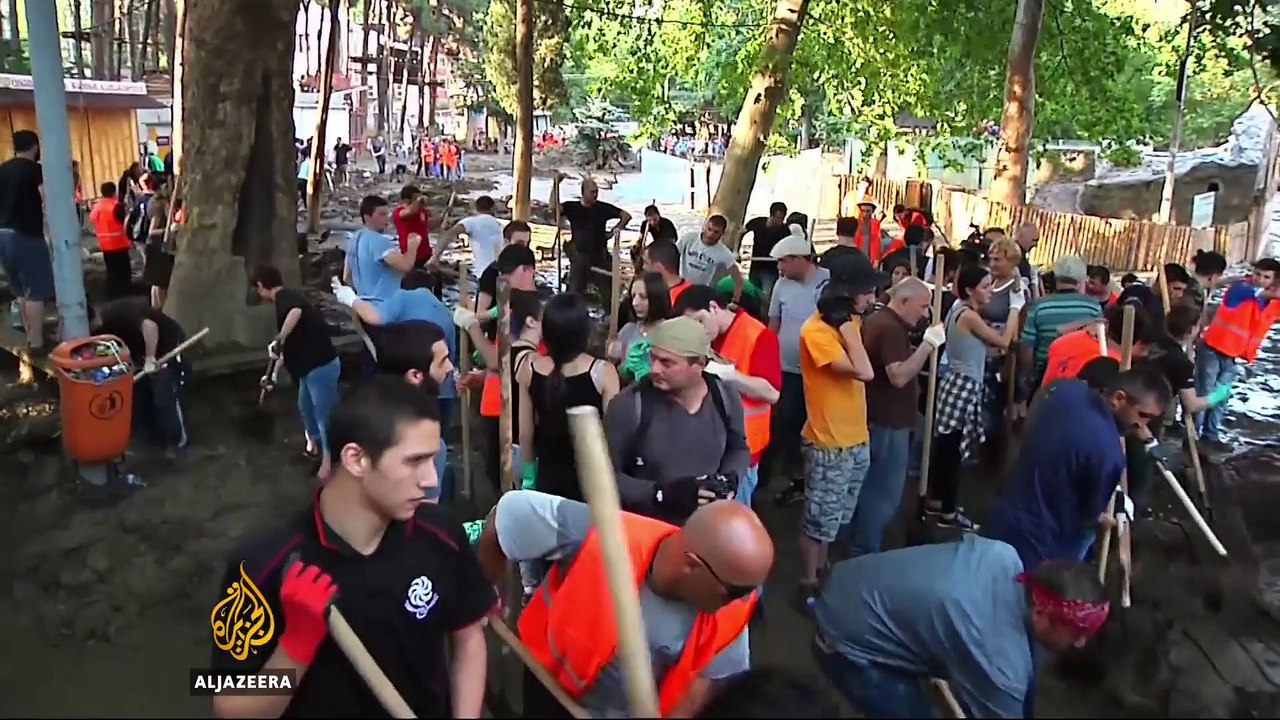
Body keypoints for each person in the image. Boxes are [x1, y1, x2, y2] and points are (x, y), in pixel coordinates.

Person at [208, 379, 493, 718]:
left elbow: (469, 636)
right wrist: (295, 646)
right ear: (356, 459)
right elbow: (228, 706)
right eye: (415, 461)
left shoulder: (440, 534)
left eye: (432, 458)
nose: (431, 479)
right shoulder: (261, 567)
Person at [473, 490, 771, 717]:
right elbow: (507, 514)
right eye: (734, 591)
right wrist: (482, 592)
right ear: (691, 565)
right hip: (550, 689)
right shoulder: (599, 536)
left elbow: (702, 688)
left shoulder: (730, 610)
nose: (743, 600)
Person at [813, 537, 1109, 718]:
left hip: (850, 583)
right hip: (843, 638)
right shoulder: (1000, 663)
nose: (1081, 642)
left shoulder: (1001, 555)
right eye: (1077, 631)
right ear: (1042, 615)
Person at [985, 367, 1172, 572]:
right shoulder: (1109, 454)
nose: (1142, 425)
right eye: (1143, 415)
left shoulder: (1063, 389)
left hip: (1006, 508)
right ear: (1118, 398)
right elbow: (1090, 513)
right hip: (1045, 544)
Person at [604, 317, 750, 524]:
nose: (654, 368)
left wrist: (730, 478)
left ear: (700, 363)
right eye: (652, 357)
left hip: (704, 530)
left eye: (667, 363)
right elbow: (603, 476)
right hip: (646, 530)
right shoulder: (630, 405)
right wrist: (661, 494)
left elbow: (738, 447)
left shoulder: (725, 397)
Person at [795, 267, 879, 603]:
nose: (873, 299)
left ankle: (823, 566)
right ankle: (807, 580)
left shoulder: (847, 324)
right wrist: (847, 328)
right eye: (868, 293)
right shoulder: (817, 332)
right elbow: (865, 371)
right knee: (818, 519)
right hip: (829, 440)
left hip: (855, 435)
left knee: (835, 516)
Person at [928, 263, 1023, 531]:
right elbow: (1003, 341)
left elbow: (977, 349)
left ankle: (937, 502)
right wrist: (1015, 307)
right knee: (953, 450)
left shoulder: (958, 309)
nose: (990, 291)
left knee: (947, 447)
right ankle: (947, 511)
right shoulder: (968, 315)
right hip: (963, 384)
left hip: (958, 381)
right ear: (970, 290)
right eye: (985, 286)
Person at [852, 278, 943, 556]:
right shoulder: (890, 328)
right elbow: (899, 375)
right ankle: (864, 552)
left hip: (879, 417)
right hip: (887, 422)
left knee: (870, 489)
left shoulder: (881, 321)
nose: (925, 313)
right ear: (903, 301)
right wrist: (928, 346)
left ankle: (858, 547)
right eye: (923, 306)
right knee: (883, 494)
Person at [675, 285, 782, 507]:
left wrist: (729, 375)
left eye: (699, 321)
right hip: (708, 447)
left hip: (741, 451)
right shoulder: (706, 337)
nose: (697, 330)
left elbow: (771, 393)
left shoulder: (758, 335)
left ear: (713, 307)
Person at [519, 293, 621, 500]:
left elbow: (525, 432)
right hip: (592, 481)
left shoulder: (529, 368)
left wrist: (528, 477)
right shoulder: (603, 372)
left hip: (547, 474)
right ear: (585, 331)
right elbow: (614, 436)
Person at [252, 265, 341, 480]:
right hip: (306, 368)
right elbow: (287, 348)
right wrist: (272, 374)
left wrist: (279, 338)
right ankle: (314, 447)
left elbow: (295, 312)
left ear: (261, 286)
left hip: (320, 365)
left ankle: (330, 462)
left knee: (324, 415)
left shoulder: (286, 298)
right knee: (305, 407)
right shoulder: (284, 301)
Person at [765, 228, 830, 505]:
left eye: (782, 262)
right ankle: (795, 477)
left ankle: (816, 478)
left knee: (816, 425)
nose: (778, 268)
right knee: (787, 423)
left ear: (797, 259)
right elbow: (773, 323)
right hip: (787, 368)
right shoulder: (781, 285)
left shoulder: (828, 281)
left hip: (820, 370)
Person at [1194, 257, 1280, 449]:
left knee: (1221, 396)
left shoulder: (1273, 302)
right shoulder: (1240, 289)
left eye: (1266, 277)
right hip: (1212, 349)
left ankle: (1210, 436)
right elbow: (1256, 292)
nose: (1259, 279)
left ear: (1274, 280)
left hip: (1232, 355)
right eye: (1257, 274)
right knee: (1204, 394)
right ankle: (1192, 439)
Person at [89, 298, 190, 455]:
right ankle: (145, 439)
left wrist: (150, 359)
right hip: (139, 352)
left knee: (165, 393)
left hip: (165, 345)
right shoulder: (94, 330)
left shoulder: (118, 314)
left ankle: (177, 443)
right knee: (138, 395)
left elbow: (150, 327)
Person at [372, 320, 457, 502]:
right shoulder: (429, 446)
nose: (450, 367)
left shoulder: (364, 406)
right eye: (442, 361)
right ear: (415, 376)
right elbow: (426, 512)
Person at [0, 130, 52, 352]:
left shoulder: (2, 170)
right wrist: (50, 231)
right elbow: (45, 198)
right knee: (36, 290)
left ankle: (30, 336)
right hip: (27, 234)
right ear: (34, 146)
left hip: (3, 234)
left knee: (20, 290)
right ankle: (38, 342)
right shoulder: (34, 170)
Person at [1019, 256, 1102, 386]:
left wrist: (1029, 375)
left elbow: (1027, 347)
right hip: (1083, 376)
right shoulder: (1093, 306)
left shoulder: (1039, 306)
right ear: (1081, 280)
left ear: (1055, 278)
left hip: (1046, 374)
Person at [551, 173, 631, 295]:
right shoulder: (572, 207)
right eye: (592, 192)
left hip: (600, 254)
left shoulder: (602, 208)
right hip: (580, 254)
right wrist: (555, 185)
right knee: (575, 289)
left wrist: (615, 230)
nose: (595, 195)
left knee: (607, 290)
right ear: (583, 192)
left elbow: (625, 216)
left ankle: (610, 311)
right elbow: (553, 208)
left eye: (596, 192)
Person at [610, 271, 673, 383]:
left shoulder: (670, 332)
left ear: (657, 298)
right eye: (633, 296)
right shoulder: (627, 330)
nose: (635, 303)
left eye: (643, 297)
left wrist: (648, 374)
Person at [432, 195, 505, 274]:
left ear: (475, 208)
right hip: (504, 271)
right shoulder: (502, 223)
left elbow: (449, 234)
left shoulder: (472, 222)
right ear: (493, 208)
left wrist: (435, 257)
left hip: (483, 272)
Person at [474, 220, 533, 316]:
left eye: (528, 243)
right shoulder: (492, 273)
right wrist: (501, 310)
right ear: (506, 242)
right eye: (520, 243)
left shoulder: (527, 267)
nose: (525, 248)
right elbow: (480, 315)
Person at [677, 215, 742, 301]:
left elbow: (738, 280)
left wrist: (735, 301)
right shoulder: (688, 239)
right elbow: (671, 256)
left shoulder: (724, 253)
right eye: (709, 229)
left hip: (702, 292)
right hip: (681, 286)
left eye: (716, 232)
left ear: (722, 233)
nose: (711, 234)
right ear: (704, 227)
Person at [90, 181, 134, 300]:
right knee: (124, 273)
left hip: (104, 245)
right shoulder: (116, 206)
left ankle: (113, 296)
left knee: (111, 272)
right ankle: (125, 297)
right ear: (114, 192)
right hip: (119, 244)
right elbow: (124, 223)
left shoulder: (98, 206)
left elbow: (92, 219)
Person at [742, 202, 790, 300]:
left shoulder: (785, 231)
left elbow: (788, 248)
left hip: (771, 269)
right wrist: (736, 249)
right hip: (755, 266)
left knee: (766, 296)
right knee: (752, 293)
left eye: (783, 218)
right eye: (779, 218)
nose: (781, 221)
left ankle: (764, 315)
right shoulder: (757, 223)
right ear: (772, 215)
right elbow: (741, 232)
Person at [391, 185, 432, 270]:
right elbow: (410, 211)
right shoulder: (399, 212)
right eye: (415, 198)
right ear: (406, 200)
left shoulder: (421, 210)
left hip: (426, 253)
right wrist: (419, 200)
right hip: (411, 257)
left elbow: (428, 224)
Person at [645, 240, 690, 304]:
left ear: (658, 267)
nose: (643, 266)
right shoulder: (691, 290)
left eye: (646, 263)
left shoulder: (672, 300)